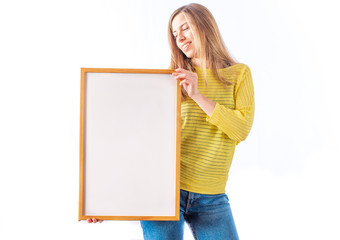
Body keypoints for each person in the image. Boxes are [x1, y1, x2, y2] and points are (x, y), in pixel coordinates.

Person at [89, 3, 254, 240]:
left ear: (205, 26)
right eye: (175, 34)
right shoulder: (170, 81)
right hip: (163, 192)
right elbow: (142, 140)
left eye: (185, 28)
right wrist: (105, 200)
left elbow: (240, 129)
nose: (180, 38)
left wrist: (197, 95)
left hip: (212, 195)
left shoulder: (239, 74)